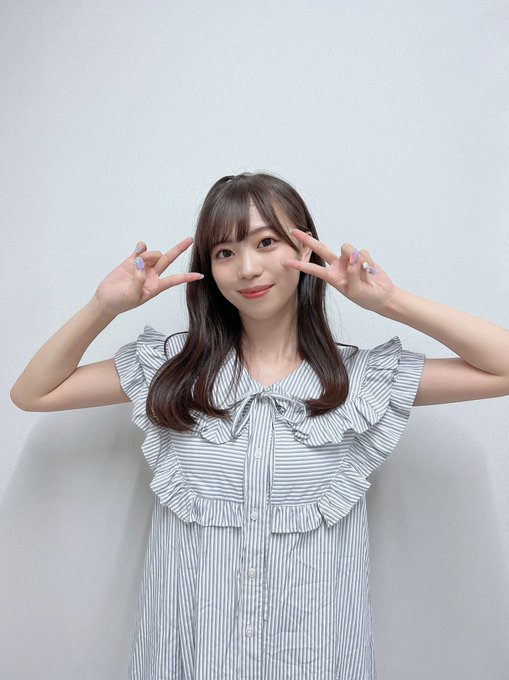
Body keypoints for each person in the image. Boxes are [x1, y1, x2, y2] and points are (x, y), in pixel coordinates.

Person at [10, 172, 509, 679]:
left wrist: (390, 302)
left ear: (304, 247)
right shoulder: (171, 370)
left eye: (266, 242)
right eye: (225, 252)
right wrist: (103, 308)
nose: (247, 268)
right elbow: (33, 393)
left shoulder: (360, 382)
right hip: (190, 660)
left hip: (315, 662)